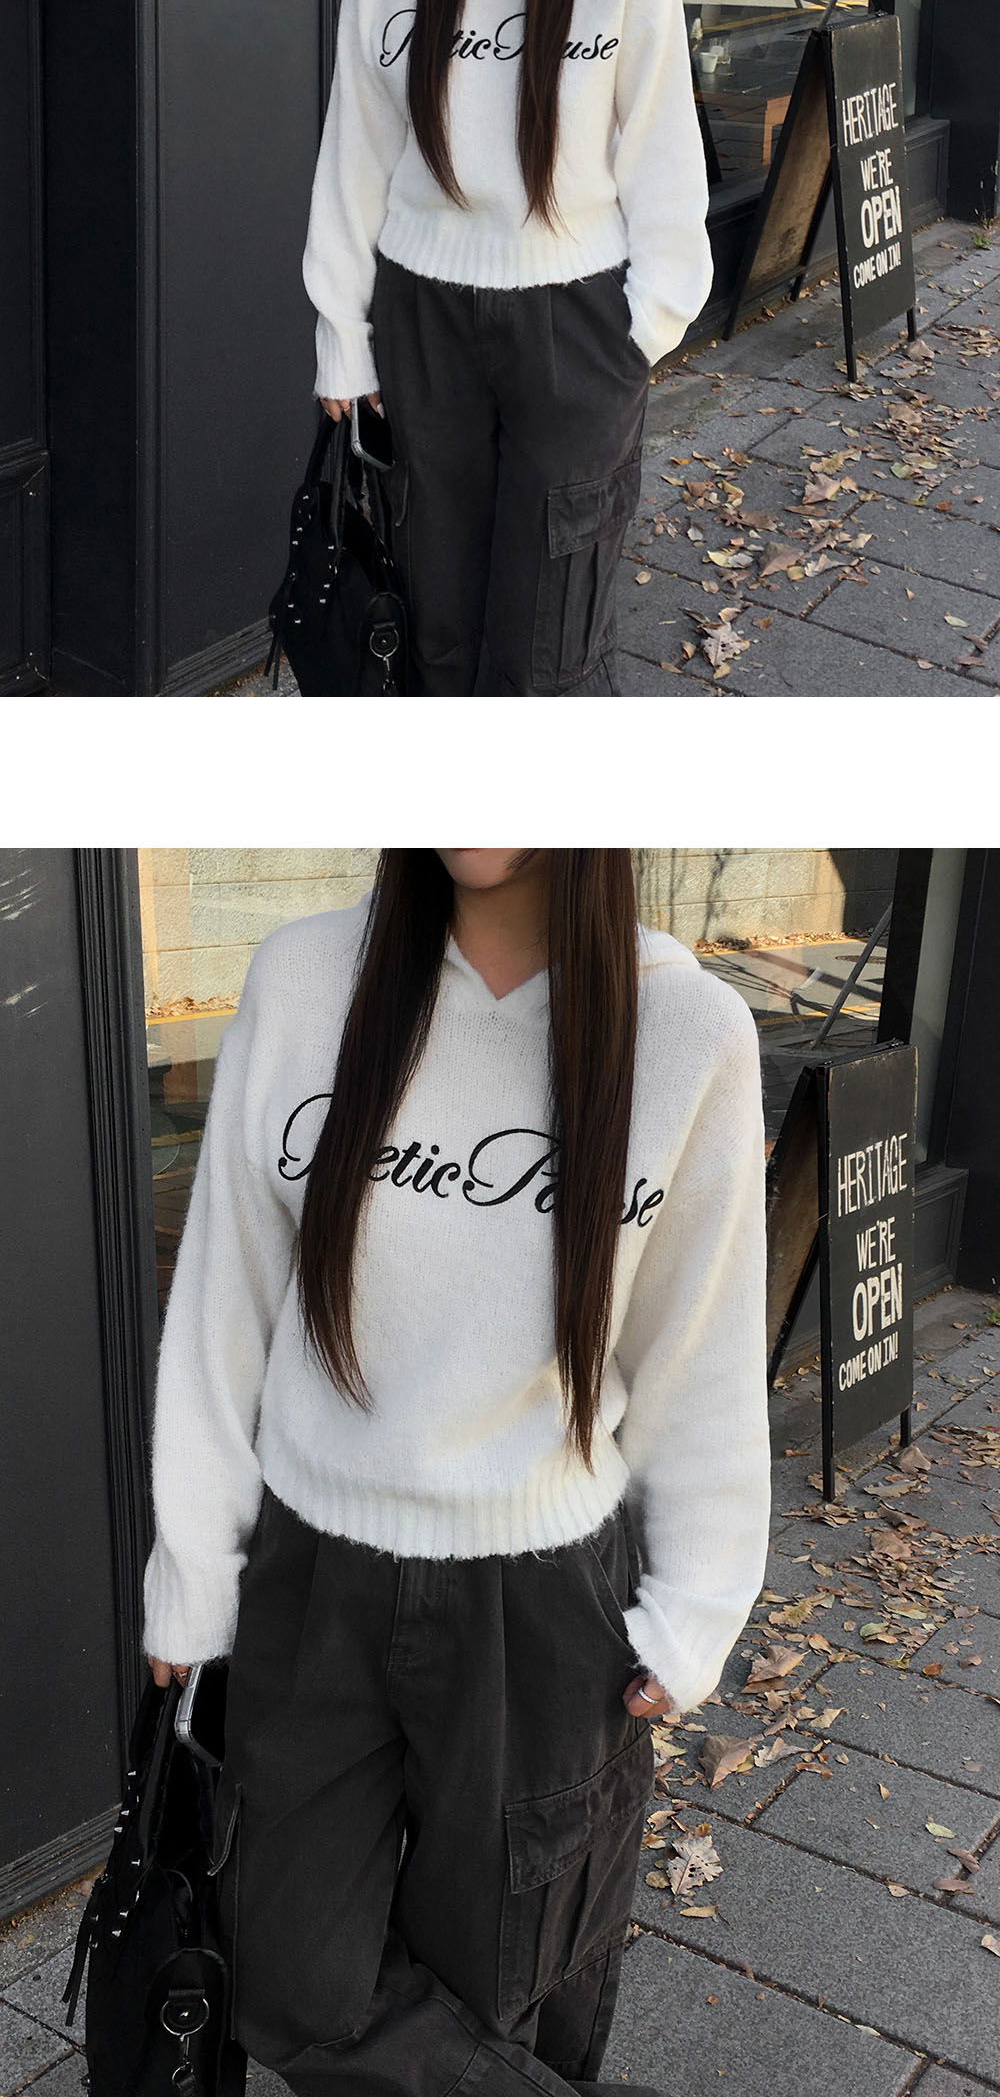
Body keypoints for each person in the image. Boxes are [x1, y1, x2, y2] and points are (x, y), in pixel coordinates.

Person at [145, 849, 771, 2097]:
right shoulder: (305, 978)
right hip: (312, 1572)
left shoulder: (685, 1028)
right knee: (287, 1973)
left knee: (512, 1984)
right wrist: (193, 1559)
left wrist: (700, 1602)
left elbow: (696, 1345)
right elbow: (225, 1294)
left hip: (539, 1602)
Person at [303, 0, 712, 692]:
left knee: (549, 643)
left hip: (573, 324)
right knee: (432, 617)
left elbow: (663, 155)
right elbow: (356, 147)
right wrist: (342, 333)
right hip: (423, 317)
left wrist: (644, 329)